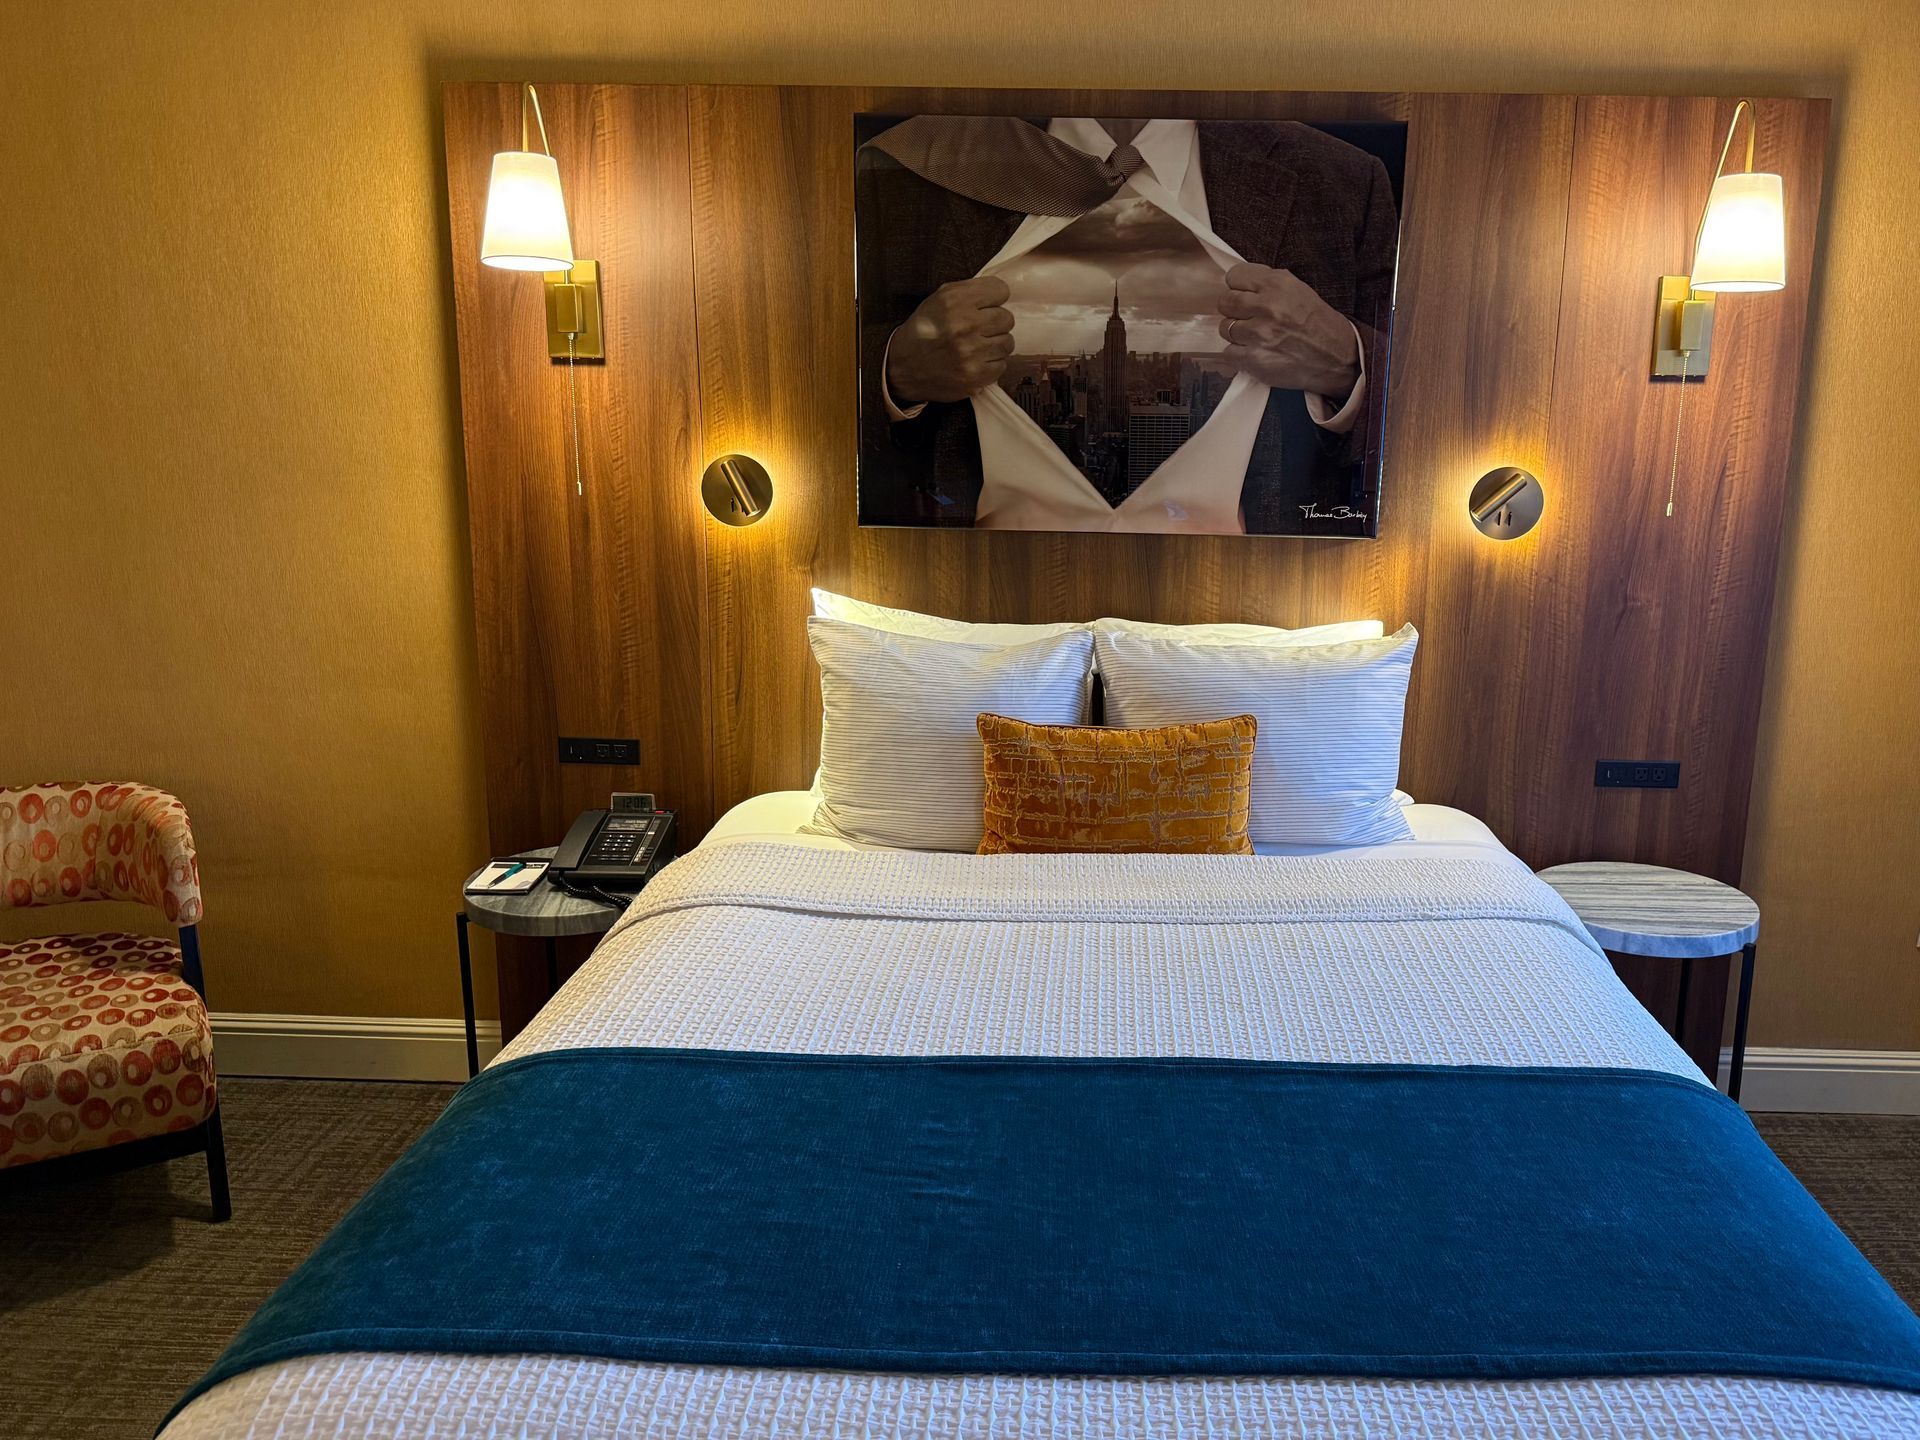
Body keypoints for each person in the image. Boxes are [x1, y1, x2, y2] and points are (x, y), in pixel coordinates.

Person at [855, 115, 1399, 535]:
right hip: (975, 598)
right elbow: (797, 389)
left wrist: (1349, 361)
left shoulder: (1341, 181)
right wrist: (894, 370)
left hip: (1253, 610)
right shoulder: (909, 170)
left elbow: (1438, 416)